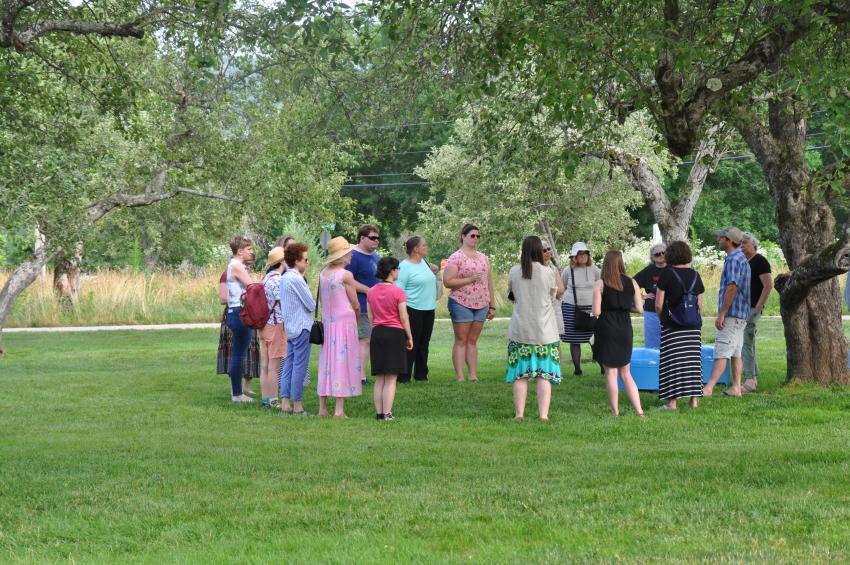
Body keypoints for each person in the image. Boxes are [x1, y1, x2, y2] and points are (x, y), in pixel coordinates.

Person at [506, 236, 563, 421]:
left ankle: (519, 414)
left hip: (520, 330)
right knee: (544, 375)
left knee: (520, 375)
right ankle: (543, 415)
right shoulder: (548, 272)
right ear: (539, 250)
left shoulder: (514, 271)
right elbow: (553, 296)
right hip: (544, 331)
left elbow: (512, 296)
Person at [592, 250, 645, 417]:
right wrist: (623, 307)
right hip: (624, 327)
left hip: (607, 327)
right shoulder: (632, 283)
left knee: (611, 372)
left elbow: (596, 311)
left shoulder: (600, 284)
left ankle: (615, 412)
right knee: (626, 372)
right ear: (621, 262)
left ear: (606, 264)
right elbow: (639, 308)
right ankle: (639, 411)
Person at [654, 241, 705, 410]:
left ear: (670, 255)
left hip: (673, 326)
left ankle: (672, 403)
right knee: (693, 362)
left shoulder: (667, 274)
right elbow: (700, 304)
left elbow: (659, 304)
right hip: (693, 327)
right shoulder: (695, 275)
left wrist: (663, 320)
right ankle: (694, 400)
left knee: (672, 362)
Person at [443, 223, 496, 382]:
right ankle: (460, 376)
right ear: (463, 236)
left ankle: (473, 375)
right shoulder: (456, 257)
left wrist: (492, 304)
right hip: (461, 302)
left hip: (481, 303)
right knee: (461, 340)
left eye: (478, 236)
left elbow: (489, 282)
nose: (475, 239)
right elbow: (447, 281)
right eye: (472, 235)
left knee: (473, 340)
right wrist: (470, 279)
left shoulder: (483, 257)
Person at [317, 237, 362, 418]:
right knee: (342, 362)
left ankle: (322, 408)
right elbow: (355, 304)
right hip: (344, 323)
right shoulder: (345, 275)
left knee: (327, 362)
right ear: (342, 256)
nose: (351, 255)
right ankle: (339, 410)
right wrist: (357, 318)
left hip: (329, 322)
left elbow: (322, 299)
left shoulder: (323, 273)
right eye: (348, 253)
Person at [704, 227, 751, 397]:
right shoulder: (742, 258)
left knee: (722, 350)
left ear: (729, 240)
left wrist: (722, 312)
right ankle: (736, 387)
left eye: (722, 238)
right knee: (736, 352)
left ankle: (708, 388)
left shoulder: (733, 259)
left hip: (732, 314)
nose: (719, 240)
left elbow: (732, 287)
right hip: (742, 314)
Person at [368, 257, 414, 420]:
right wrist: (409, 336)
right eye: (398, 269)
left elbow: (371, 316)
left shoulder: (371, 291)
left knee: (380, 377)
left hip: (377, 333)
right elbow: (403, 316)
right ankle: (388, 413)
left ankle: (379, 413)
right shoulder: (398, 292)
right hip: (394, 334)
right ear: (392, 271)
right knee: (391, 378)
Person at [278, 242, 316, 415]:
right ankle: (298, 405)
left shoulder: (285, 277)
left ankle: (285, 402)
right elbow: (311, 304)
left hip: (291, 327)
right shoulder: (296, 278)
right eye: (306, 259)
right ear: (298, 260)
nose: (307, 263)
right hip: (302, 327)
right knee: (299, 366)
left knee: (289, 365)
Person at [395, 236, 438, 383]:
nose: (427, 247)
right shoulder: (404, 266)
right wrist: (403, 312)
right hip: (412, 309)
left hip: (429, 309)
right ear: (416, 249)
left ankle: (421, 375)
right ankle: (404, 376)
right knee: (410, 343)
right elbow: (399, 291)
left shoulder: (424, 263)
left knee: (424, 343)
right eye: (424, 245)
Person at [346, 224, 381, 385]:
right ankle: (360, 377)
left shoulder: (375, 257)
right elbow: (347, 280)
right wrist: (368, 290)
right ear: (362, 238)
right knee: (364, 340)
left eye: (378, 238)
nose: (376, 241)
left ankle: (360, 374)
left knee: (368, 340)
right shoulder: (353, 256)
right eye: (373, 237)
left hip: (375, 306)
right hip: (360, 304)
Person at [560, 242, 601, 375]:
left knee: (596, 338)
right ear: (574, 257)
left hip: (592, 307)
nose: (583, 256)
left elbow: (601, 286)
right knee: (574, 339)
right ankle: (577, 369)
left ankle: (603, 368)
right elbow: (563, 286)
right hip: (571, 307)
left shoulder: (595, 269)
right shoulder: (568, 270)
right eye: (580, 254)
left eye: (585, 254)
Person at [224, 235, 256, 403]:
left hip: (235, 312)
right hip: (239, 313)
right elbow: (251, 287)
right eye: (249, 249)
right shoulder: (237, 266)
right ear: (240, 251)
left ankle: (237, 392)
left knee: (239, 353)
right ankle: (237, 394)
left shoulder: (235, 266)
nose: (252, 252)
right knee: (238, 354)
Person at [740, 232, 772, 393]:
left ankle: (750, 380)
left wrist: (758, 307)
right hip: (742, 307)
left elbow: (768, 286)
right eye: (740, 243)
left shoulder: (760, 261)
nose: (742, 246)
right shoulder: (743, 261)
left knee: (746, 341)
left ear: (753, 244)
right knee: (748, 342)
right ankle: (753, 376)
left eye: (744, 243)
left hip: (753, 307)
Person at [216, 271, 261, 386]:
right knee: (234, 350)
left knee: (250, 348)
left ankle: (246, 387)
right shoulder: (227, 275)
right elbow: (222, 298)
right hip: (235, 315)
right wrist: (241, 297)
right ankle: (235, 388)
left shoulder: (245, 274)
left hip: (249, 314)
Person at [259, 246, 287, 408]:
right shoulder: (279, 280)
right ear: (282, 261)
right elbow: (284, 302)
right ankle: (273, 400)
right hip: (276, 324)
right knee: (274, 366)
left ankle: (265, 398)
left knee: (265, 364)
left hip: (263, 325)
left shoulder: (265, 279)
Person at [633, 243, 667, 349]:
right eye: (657, 254)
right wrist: (642, 296)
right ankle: (653, 365)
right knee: (653, 344)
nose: (661, 255)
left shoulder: (673, 269)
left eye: (663, 252)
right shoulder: (648, 271)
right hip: (652, 311)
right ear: (652, 257)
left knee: (670, 343)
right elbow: (631, 283)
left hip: (671, 311)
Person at [542, 241, 566, 336]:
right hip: (539, 311)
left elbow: (560, 289)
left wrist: (550, 294)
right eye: (544, 250)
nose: (548, 252)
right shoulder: (533, 269)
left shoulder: (552, 268)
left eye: (549, 249)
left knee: (555, 340)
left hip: (553, 308)